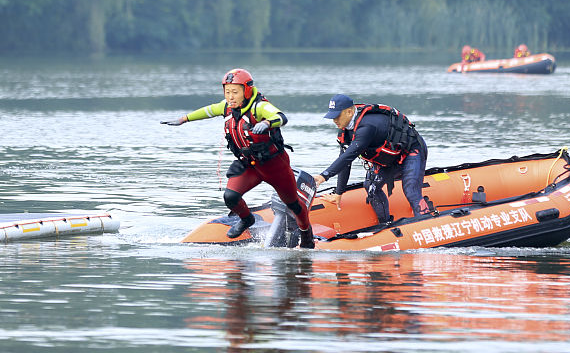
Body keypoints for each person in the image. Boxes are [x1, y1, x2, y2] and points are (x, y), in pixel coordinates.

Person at [162, 69, 314, 248]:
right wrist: (184, 119)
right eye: (227, 92)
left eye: (235, 92)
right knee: (230, 196)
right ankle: (247, 219)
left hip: (275, 167)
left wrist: (266, 123)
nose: (230, 97)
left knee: (293, 204)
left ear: (247, 91)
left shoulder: (259, 107)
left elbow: (281, 117)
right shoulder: (225, 107)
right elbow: (208, 110)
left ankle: (306, 233)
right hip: (250, 166)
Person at [313, 95, 432, 223]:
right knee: (371, 187)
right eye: (332, 117)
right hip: (390, 158)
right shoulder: (345, 131)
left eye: (337, 116)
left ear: (349, 112)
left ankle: (425, 222)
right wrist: (339, 193)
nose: (334, 120)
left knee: (411, 191)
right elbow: (345, 160)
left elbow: (349, 156)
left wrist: (324, 176)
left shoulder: (367, 126)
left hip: (411, 151)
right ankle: (386, 224)